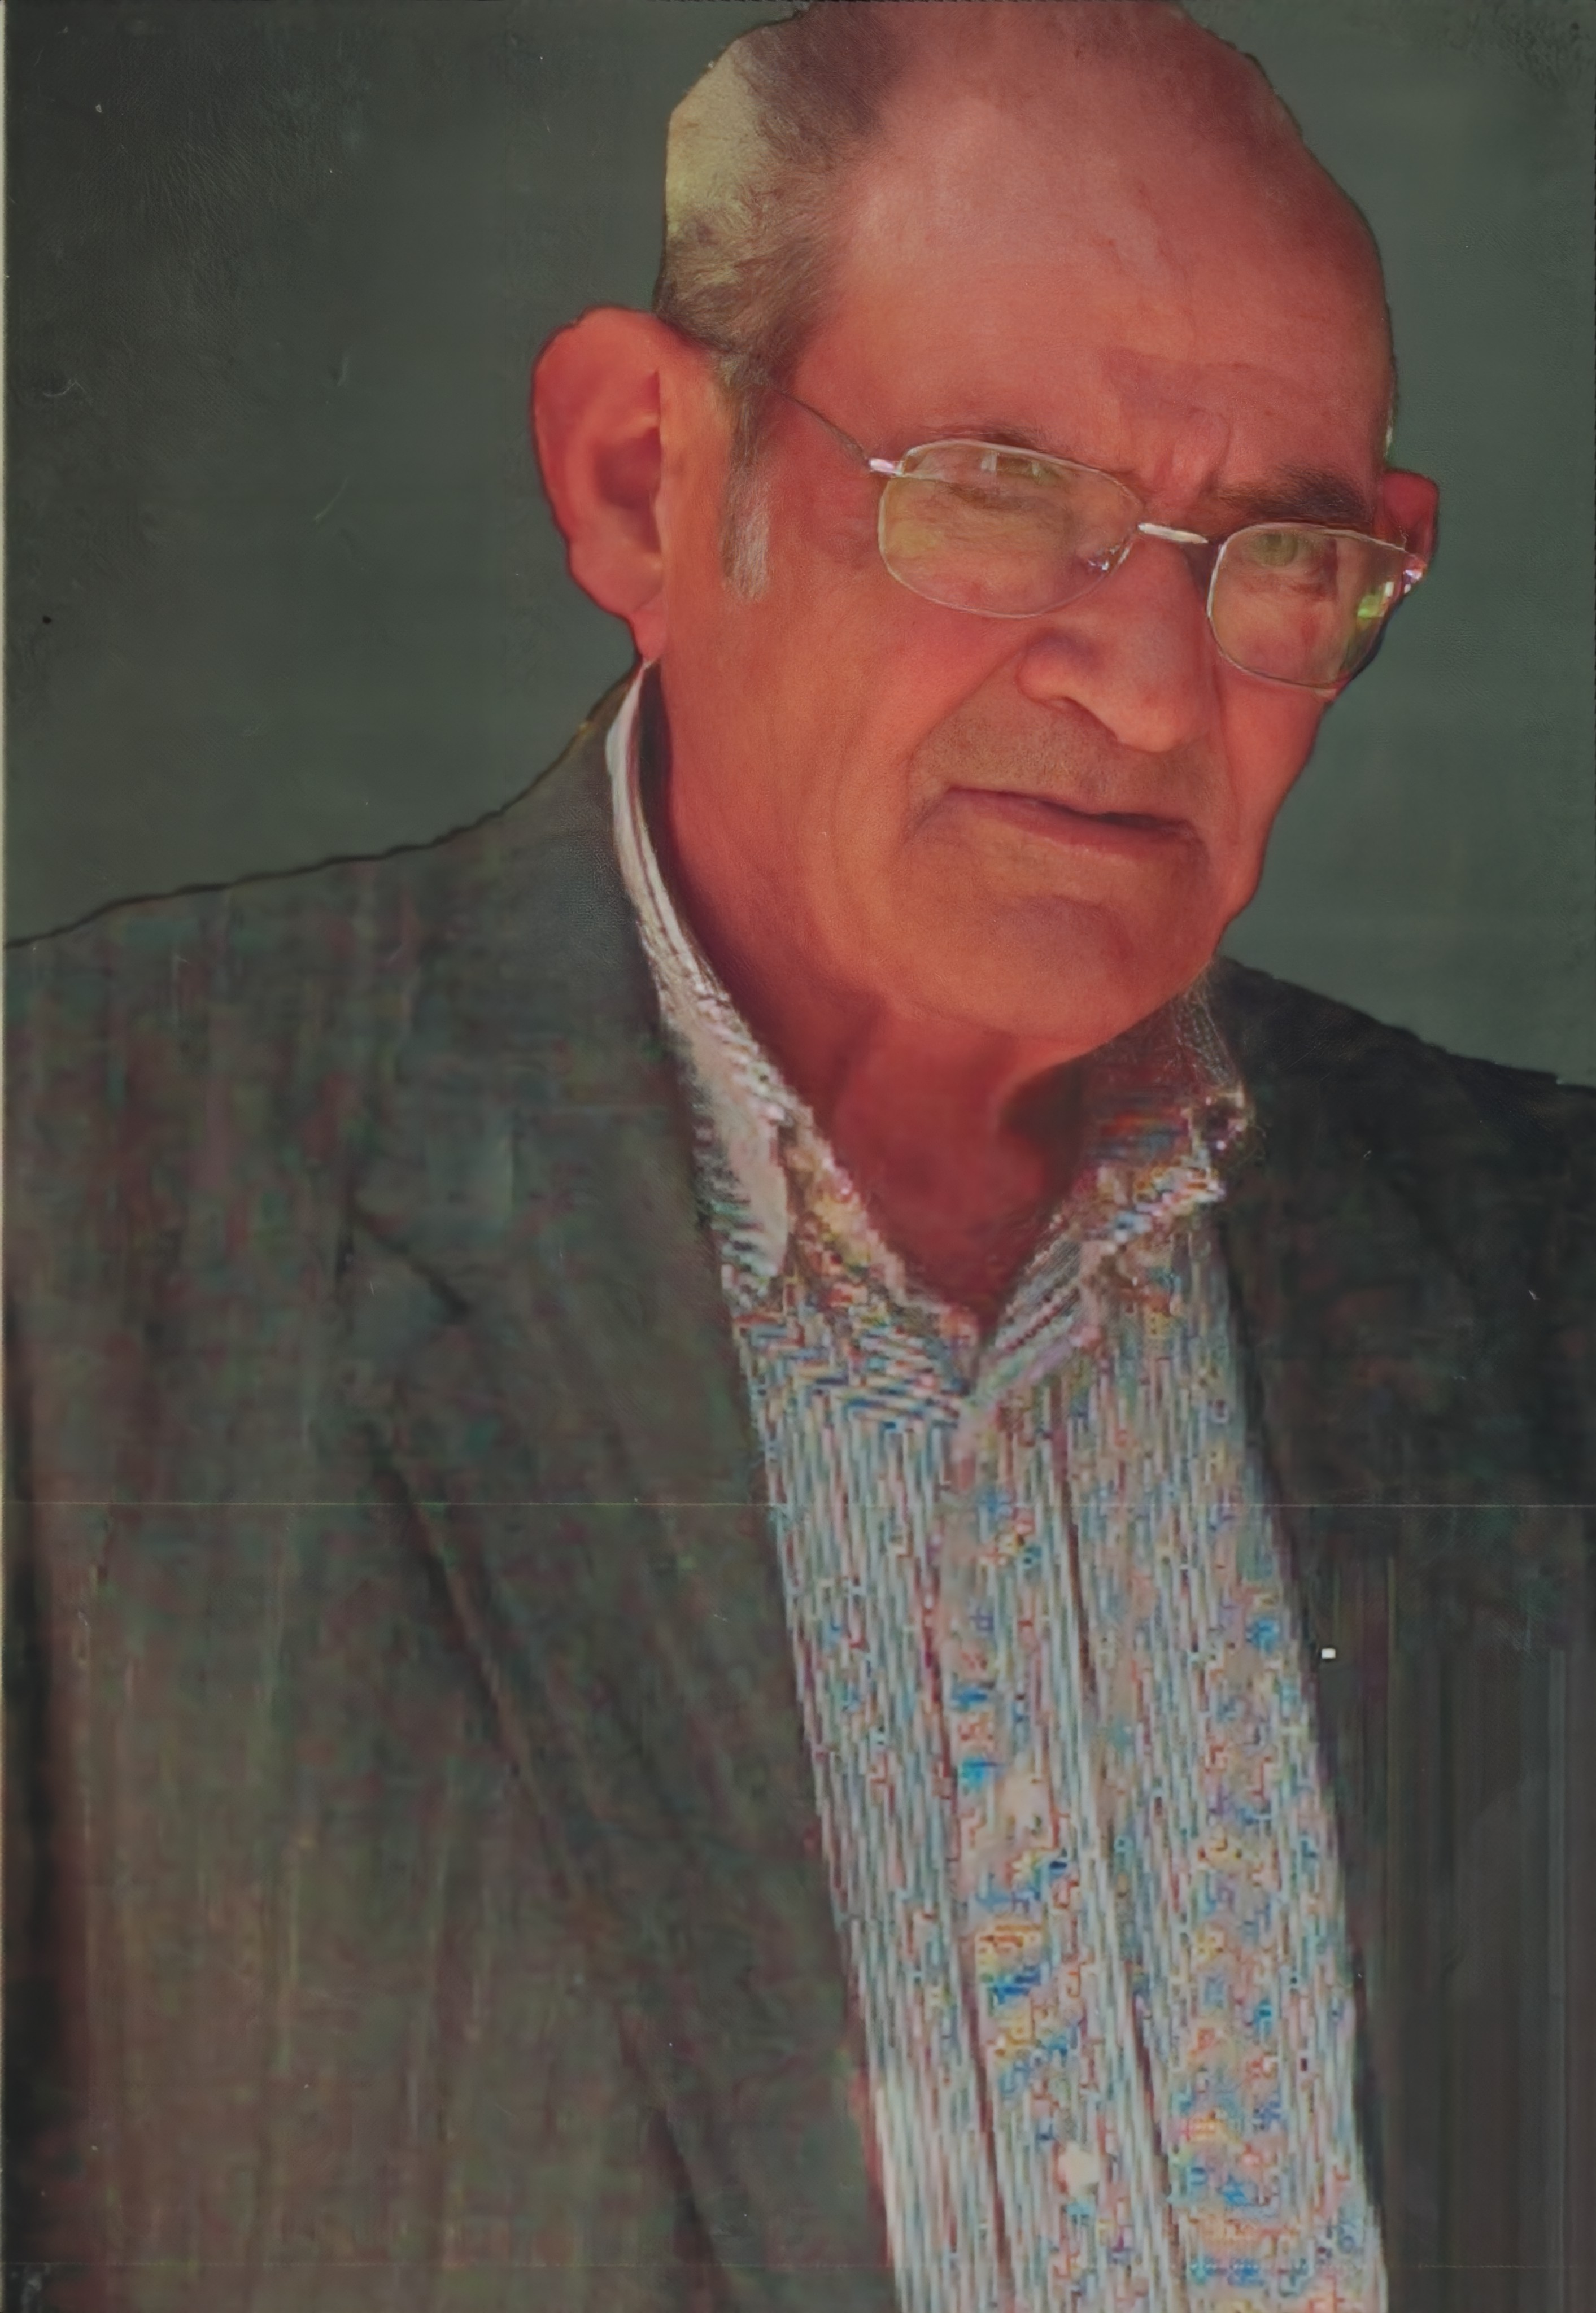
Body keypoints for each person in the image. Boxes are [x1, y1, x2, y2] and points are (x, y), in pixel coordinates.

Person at [5, 4, 1590, 2308]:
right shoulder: (73, 1203)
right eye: (994, 491)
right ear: (641, 481)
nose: (1149, 687)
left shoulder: (1543, 1256)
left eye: (1275, 552)